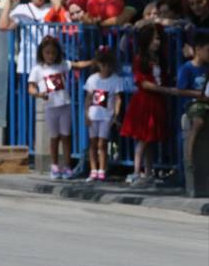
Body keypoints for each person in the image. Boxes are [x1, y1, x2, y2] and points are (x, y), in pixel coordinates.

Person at [27, 35, 91, 179]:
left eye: (53, 53)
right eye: (47, 53)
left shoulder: (61, 64)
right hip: (50, 107)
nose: (50, 56)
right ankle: (55, 166)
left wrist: (93, 62)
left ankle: (67, 166)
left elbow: (78, 65)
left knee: (66, 137)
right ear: (42, 53)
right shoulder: (38, 69)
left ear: (57, 53)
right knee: (54, 137)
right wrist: (39, 94)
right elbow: (30, 88)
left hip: (64, 105)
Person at [120, 25, 172, 187]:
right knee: (143, 138)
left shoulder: (159, 58)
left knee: (151, 140)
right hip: (144, 102)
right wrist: (165, 89)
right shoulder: (140, 59)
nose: (157, 42)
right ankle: (136, 172)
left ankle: (148, 172)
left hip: (156, 101)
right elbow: (143, 82)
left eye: (158, 39)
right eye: (154, 39)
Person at [174, 33, 209, 194]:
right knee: (198, 121)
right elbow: (181, 90)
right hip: (193, 103)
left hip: (206, 101)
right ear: (198, 49)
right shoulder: (187, 68)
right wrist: (197, 95)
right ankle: (189, 156)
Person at [82, 47, 123, 182]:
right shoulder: (92, 79)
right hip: (93, 116)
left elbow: (118, 99)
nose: (105, 67)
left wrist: (116, 115)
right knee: (92, 143)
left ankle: (102, 169)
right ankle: (93, 169)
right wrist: (86, 114)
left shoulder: (115, 80)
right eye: (102, 64)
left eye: (108, 65)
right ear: (98, 64)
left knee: (102, 144)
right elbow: (88, 98)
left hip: (106, 116)